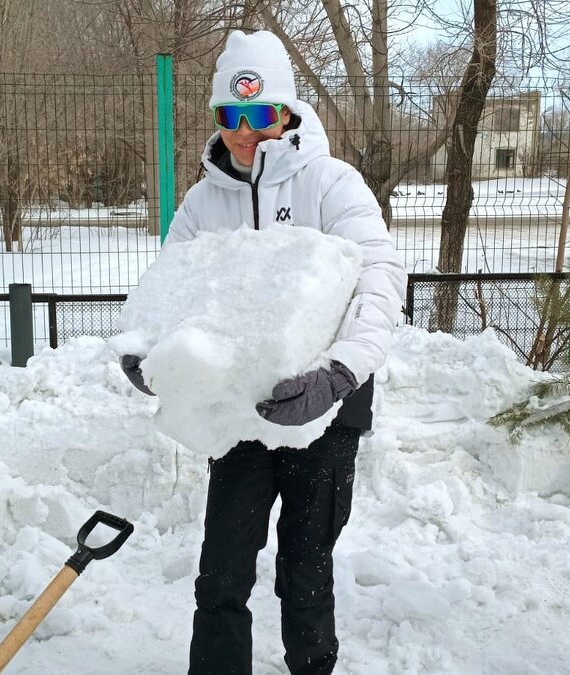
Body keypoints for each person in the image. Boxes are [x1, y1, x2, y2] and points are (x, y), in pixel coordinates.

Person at [122, 29, 405, 675]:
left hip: (327, 408)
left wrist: (338, 374)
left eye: (259, 114)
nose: (246, 131)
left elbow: (380, 280)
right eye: (231, 116)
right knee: (222, 568)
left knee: (306, 564)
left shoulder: (333, 184)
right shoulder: (202, 201)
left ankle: (312, 664)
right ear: (219, 118)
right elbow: (170, 288)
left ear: (285, 111)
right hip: (239, 410)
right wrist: (145, 348)